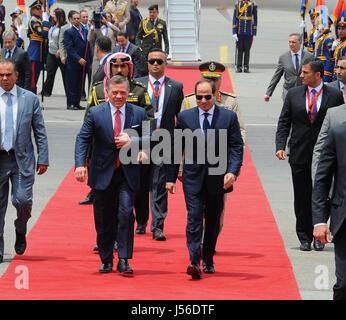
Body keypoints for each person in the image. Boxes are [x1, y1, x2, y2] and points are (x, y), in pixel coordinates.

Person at [166, 79, 243, 279]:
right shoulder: (185, 117)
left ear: (215, 96)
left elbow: (236, 147)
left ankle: (208, 258)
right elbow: (176, 148)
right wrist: (171, 177)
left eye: (207, 97)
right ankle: (193, 260)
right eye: (199, 97)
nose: (202, 101)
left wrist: (233, 172)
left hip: (218, 178)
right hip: (193, 177)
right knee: (194, 217)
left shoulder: (228, 117)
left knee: (212, 220)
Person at [74, 75, 149, 274]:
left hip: (127, 172)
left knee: (126, 214)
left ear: (128, 93)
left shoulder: (139, 113)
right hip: (102, 173)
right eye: (114, 92)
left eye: (122, 93)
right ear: (107, 92)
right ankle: (106, 258)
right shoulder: (96, 113)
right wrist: (80, 164)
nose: (118, 96)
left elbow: (152, 137)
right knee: (103, 218)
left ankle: (124, 259)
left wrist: (134, 140)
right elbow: (83, 138)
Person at [275, 59, 343, 252]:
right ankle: (304, 236)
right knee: (302, 196)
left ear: (318, 75)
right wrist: (280, 145)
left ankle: (319, 233)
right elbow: (284, 121)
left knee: (324, 194)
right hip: (300, 154)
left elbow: (339, 123)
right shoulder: (294, 94)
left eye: (305, 73)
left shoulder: (335, 95)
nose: (301, 76)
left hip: (326, 154)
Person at [79, 53, 153, 215]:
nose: (119, 70)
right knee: (104, 208)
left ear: (129, 68)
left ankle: (139, 222)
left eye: (123, 66)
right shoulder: (98, 89)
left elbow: (149, 123)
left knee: (130, 204)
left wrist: (142, 147)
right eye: (115, 67)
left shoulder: (138, 90)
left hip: (131, 155)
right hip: (103, 155)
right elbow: (87, 125)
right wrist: (87, 157)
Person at [181, 61, 246, 235]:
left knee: (217, 208)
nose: (212, 81)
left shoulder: (229, 101)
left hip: (220, 164)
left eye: (215, 79)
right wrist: (179, 167)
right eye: (208, 78)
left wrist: (236, 164)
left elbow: (239, 133)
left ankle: (209, 241)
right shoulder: (189, 101)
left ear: (220, 80)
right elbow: (180, 138)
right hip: (194, 165)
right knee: (195, 209)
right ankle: (197, 241)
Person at [0, 58, 49, 263]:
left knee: (22, 200)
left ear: (16, 75)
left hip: (21, 159)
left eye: (8, 75)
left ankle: (21, 228)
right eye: (1, 75)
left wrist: (43, 158)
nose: (4, 79)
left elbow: (40, 131)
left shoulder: (29, 98)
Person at [135, 48, 184, 240]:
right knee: (139, 184)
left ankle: (158, 225)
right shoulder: (137, 84)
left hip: (164, 139)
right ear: (147, 63)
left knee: (159, 183)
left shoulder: (176, 87)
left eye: (159, 61)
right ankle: (141, 220)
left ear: (165, 64)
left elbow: (179, 115)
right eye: (152, 61)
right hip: (141, 141)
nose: (156, 64)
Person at [312, 122, 346, 300]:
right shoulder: (338, 133)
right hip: (344, 220)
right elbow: (322, 179)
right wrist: (319, 220)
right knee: (344, 283)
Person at [312, 57, 346, 182]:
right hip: (332, 147)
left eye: (342, 68)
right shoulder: (328, 90)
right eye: (337, 67)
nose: (337, 71)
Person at [264, 33, 313, 102]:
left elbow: (314, 74)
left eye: (293, 42)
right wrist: (268, 93)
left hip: (304, 92)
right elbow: (276, 76)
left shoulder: (309, 56)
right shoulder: (283, 57)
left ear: (300, 43)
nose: (291, 44)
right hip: (288, 92)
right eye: (289, 42)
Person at [64, 11, 92, 110]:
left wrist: (89, 61)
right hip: (73, 62)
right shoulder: (69, 32)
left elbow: (88, 47)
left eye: (78, 18)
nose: (76, 20)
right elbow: (69, 48)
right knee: (72, 83)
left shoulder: (85, 31)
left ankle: (77, 102)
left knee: (80, 83)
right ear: (70, 20)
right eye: (74, 18)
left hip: (84, 62)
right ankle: (70, 103)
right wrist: (78, 58)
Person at [135, 5, 169, 76]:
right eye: (150, 12)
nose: (152, 14)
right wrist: (139, 46)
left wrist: (166, 51)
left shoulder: (162, 23)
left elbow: (165, 39)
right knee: (144, 70)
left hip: (157, 50)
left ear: (157, 12)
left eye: (153, 12)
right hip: (146, 50)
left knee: (157, 68)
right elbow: (138, 36)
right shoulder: (144, 22)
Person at [41, 8, 67, 97]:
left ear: (60, 16)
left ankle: (69, 92)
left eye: (55, 15)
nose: (53, 16)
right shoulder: (52, 25)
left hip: (60, 54)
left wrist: (61, 50)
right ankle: (46, 91)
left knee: (65, 74)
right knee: (50, 73)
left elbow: (66, 40)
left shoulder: (64, 27)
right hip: (51, 53)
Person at [27, 0, 50, 94]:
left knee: (36, 76)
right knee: (32, 79)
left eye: (41, 8)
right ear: (33, 10)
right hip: (34, 53)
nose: (41, 10)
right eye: (38, 9)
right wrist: (45, 21)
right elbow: (44, 33)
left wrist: (45, 17)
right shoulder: (34, 21)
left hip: (39, 53)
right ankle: (31, 94)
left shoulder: (39, 20)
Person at [88, 11, 120, 78]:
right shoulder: (96, 29)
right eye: (103, 17)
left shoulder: (112, 29)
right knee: (95, 78)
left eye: (108, 17)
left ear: (111, 18)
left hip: (109, 56)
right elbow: (89, 39)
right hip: (97, 58)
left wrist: (107, 23)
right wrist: (92, 26)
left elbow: (118, 32)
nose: (106, 18)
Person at [232, 0, 258, 73]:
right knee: (240, 49)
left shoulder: (253, 5)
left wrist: (254, 31)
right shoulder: (238, 4)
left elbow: (255, 18)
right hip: (240, 30)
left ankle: (246, 66)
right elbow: (235, 18)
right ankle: (239, 66)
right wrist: (234, 32)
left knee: (247, 49)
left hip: (249, 31)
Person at [315, 17, 334, 83]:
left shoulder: (329, 39)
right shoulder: (321, 37)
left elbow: (330, 59)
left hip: (324, 74)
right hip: (319, 71)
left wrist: (326, 75)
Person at [332, 15, 346, 81]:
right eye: (339, 28)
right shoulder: (339, 43)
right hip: (336, 75)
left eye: (343, 29)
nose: (340, 31)